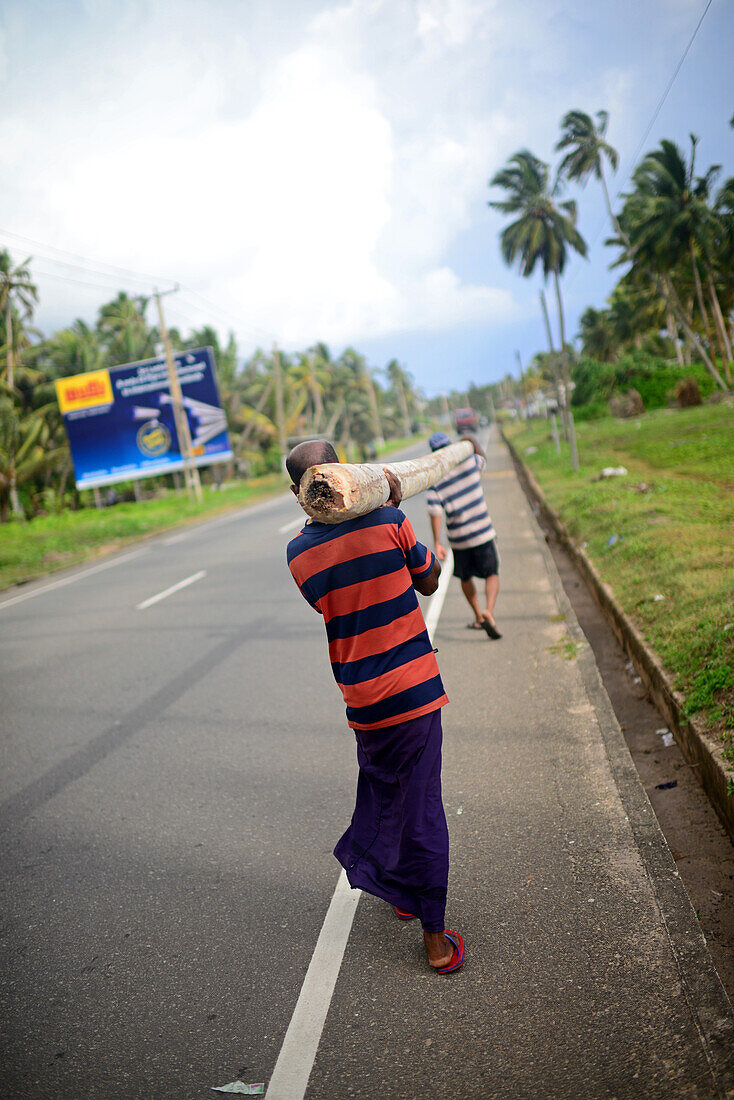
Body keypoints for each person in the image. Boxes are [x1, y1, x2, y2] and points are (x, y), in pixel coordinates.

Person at [285, 440, 464, 974]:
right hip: (413, 687)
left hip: (363, 700)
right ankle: (435, 938)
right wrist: (417, 550)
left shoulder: (298, 554)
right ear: (347, 473)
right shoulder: (389, 519)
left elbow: (329, 601)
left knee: (389, 792)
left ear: (299, 493)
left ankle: (404, 894)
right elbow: (428, 582)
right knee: (423, 803)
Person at [425, 431, 501, 640]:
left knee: (465, 577)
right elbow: (481, 457)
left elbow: (435, 512)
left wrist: (437, 542)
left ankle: (478, 616)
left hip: (459, 538)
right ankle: (489, 612)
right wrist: (470, 440)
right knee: (491, 573)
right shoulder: (469, 463)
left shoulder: (435, 478)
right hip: (482, 531)